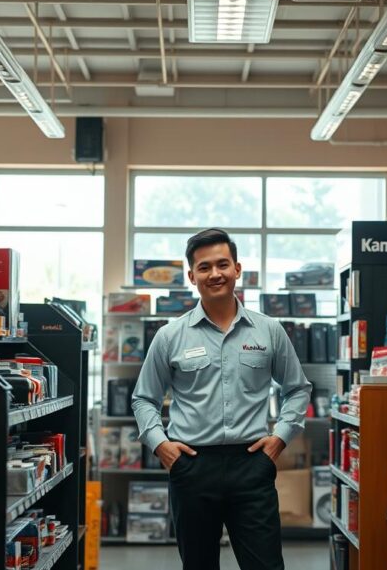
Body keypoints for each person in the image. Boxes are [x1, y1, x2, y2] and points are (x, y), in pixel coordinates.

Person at [132, 228, 313, 570]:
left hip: (252, 465)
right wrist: (162, 446)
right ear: (192, 276)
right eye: (204, 267)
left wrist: (279, 440)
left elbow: (297, 388)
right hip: (192, 466)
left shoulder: (269, 330)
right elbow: (144, 398)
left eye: (222, 264)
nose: (214, 274)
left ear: (237, 269)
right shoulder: (170, 336)